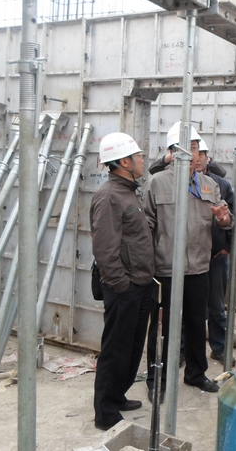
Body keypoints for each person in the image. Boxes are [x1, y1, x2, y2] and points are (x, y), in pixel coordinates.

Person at [142, 122, 233, 402]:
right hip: (166, 269)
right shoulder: (157, 183)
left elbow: (225, 221)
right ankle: (157, 378)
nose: (196, 155)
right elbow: (146, 226)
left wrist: (223, 220)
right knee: (163, 328)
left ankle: (195, 373)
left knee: (196, 323)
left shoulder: (209, 185)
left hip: (199, 267)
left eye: (197, 149)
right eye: (190, 148)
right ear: (173, 152)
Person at [90, 132, 154, 431]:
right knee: (116, 349)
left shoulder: (129, 192)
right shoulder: (109, 196)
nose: (142, 160)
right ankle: (105, 412)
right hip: (124, 288)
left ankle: (117, 396)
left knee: (131, 348)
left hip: (140, 284)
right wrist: (121, 285)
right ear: (124, 162)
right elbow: (105, 249)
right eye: (138, 156)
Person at [196, 139, 236, 367]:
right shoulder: (182, 184)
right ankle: (184, 349)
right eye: (194, 152)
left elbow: (232, 217)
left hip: (216, 256)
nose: (198, 158)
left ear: (207, 158)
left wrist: (226, 247)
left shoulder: (221, 185)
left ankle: (219, 348)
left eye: (202, 153)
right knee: (189, 306)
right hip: (191, 256)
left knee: (217, 306)